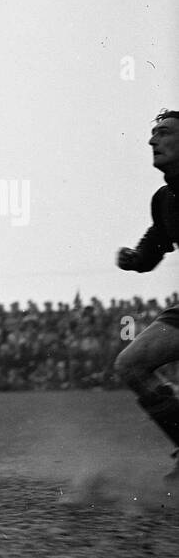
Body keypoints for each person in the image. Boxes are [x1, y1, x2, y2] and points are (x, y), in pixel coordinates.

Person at [113, 109, 179, 481]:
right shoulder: (164, 198)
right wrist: (136, 259)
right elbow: (157, 243)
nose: (153, 140)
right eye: (152, 133)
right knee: (130, 364)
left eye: (164, 132)